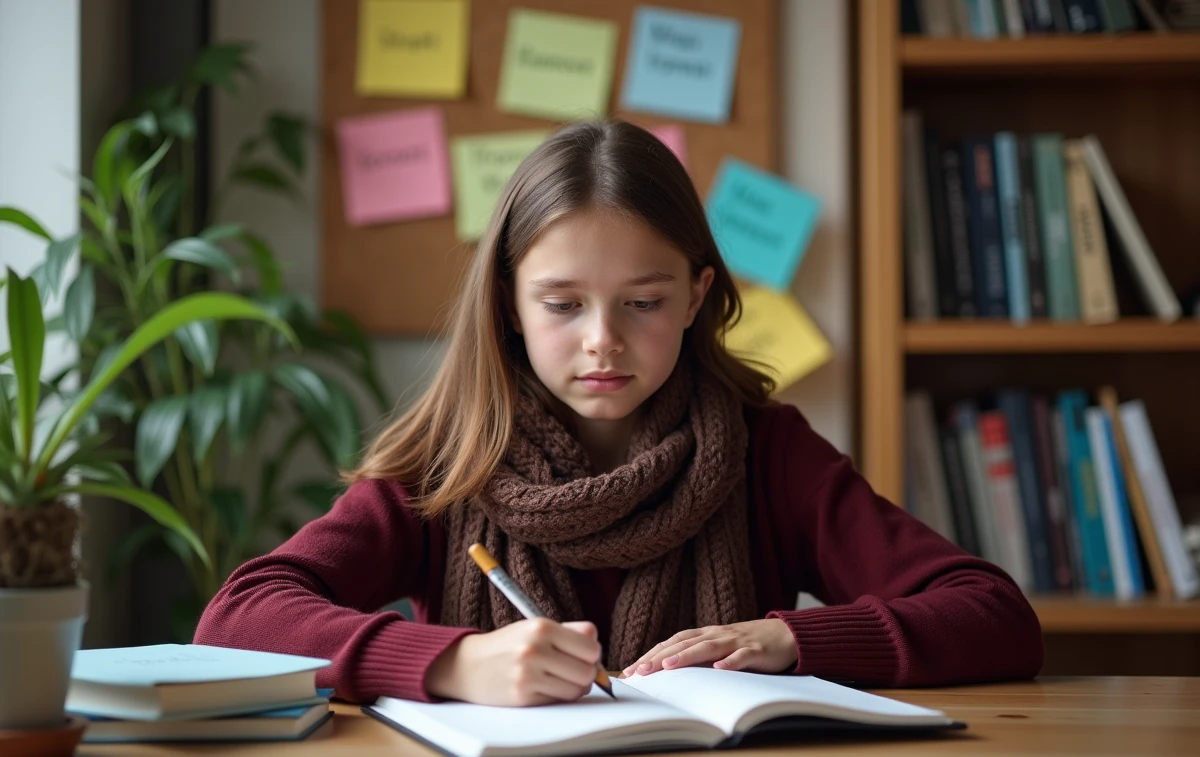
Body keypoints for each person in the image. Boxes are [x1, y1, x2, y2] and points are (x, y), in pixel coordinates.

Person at [194, 120, 1043, 708]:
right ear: (509, 306)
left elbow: (994, 616)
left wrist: (792, 642)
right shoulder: (444, 469)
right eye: (562, 305)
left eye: (642, 301)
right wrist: (452, 662)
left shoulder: (770, 454)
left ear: (696, 297)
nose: (603, 342)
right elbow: (236, 619)